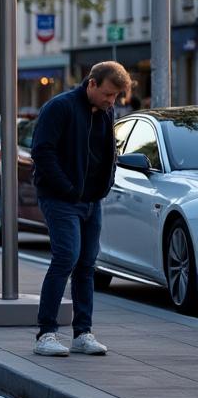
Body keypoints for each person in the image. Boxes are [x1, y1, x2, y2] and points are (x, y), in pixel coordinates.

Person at [29, 61, 128, 357]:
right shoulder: (59, 107)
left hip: (92, 200)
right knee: (66, 258)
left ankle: (83, 333)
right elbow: (42, 152)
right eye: (108, 94)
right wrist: (68, 189)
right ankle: (46, 334)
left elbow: (109, 153)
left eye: (116, 96)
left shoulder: (106, 112)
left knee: (87, 265)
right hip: (60, 199)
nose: (112, 101)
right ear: (92, 83)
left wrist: (105, 185)